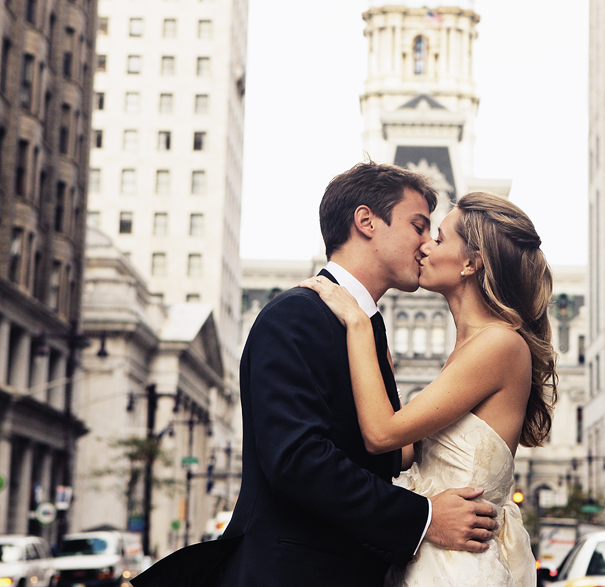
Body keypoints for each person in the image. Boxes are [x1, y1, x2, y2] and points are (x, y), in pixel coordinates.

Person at [131, 162, 499, 587]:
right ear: (366, 222)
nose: (425, 244)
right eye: (418, 226)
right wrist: (425, 518)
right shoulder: (296, 315)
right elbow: (296, 459)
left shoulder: (363, 326)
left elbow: (366, 452)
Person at [305, 191, 557, 586]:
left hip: (458, 567)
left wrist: (358, 325)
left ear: (471, 263)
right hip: (435, 556)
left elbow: (381, 435)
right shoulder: (471, 348)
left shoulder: (499, 345)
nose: (424, 246)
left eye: (438, 238)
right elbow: (405, 454)